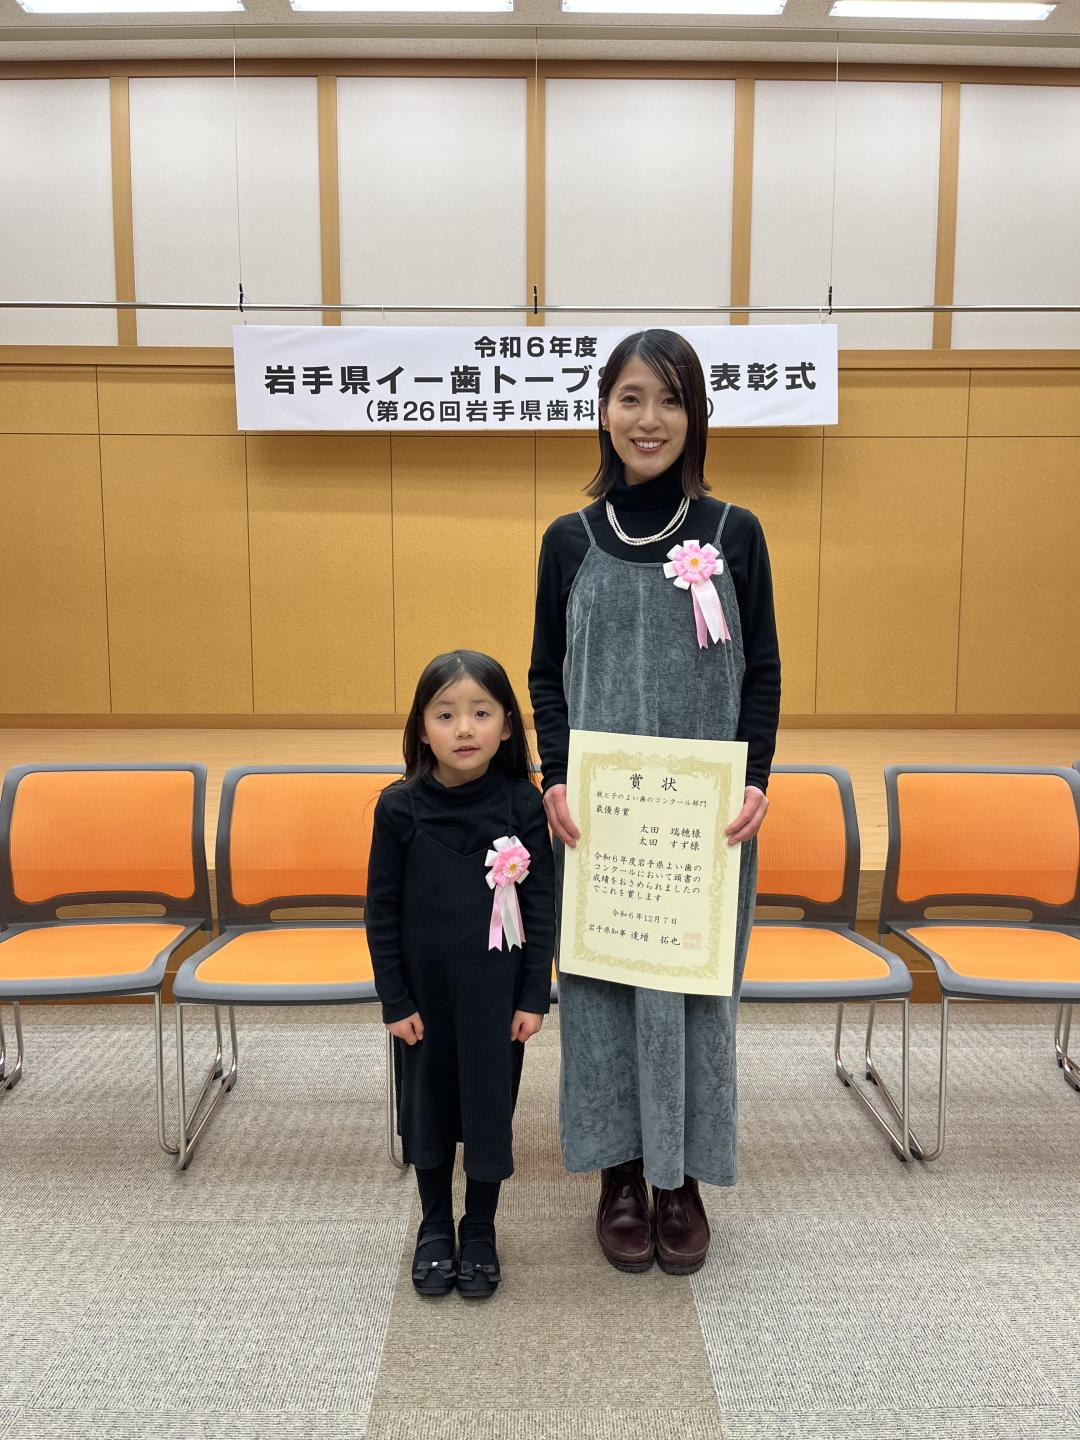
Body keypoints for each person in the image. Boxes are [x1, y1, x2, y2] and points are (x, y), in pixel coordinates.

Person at [529, 328, 780, 1276]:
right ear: (603, 410)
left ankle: (684, 1180)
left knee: (695, 997)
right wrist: (555, 774)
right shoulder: (568, 540)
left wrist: (756, 777)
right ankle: (623, 1177)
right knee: (602, 999)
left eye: (671, 399)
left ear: (696, 415)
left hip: (702, 826)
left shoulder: (735, 532)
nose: (649, 419)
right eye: (631, 397)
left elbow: (762, 670)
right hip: (599, 823)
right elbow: (545, 673)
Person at [366, 650, 555, 1299]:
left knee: (487, 1109)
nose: (465, 728)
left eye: (481, 712)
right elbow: (380, 911)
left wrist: (533, 995)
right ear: (422, 729)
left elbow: (540, 905)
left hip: (495, 999)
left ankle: (479, 1227)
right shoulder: (398, 808)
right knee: (427, 1110)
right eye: (445, 715)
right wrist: (394, 999)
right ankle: (433, 1225)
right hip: (423, 1001)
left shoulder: (522, 804)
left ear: (506, 726)